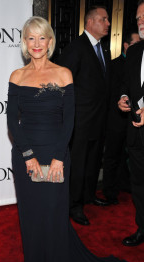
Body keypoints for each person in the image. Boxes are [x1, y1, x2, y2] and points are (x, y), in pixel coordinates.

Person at [7, 16, 129, 262]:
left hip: (56, 152)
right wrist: (28, 156)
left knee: (52, 213)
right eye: (31, 38)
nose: (37, 44)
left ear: (50, 42)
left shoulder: (63, 73)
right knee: (30, 214)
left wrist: (59, 158)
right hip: (26, 153)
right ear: (25, 43)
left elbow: (69, 121)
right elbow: (13, 122)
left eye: (42, 38)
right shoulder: (17, 76)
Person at [58, 6, 112, 226]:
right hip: (80, 121)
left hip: (99, 120)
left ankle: (89, 195)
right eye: (104, 19)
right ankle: (74, 205)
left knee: (92, 162)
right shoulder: (75, 48)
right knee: (78, 164)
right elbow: (61, 83)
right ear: (90, 22)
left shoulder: (103, 49)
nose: (108, 23)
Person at [103, 31, 140, 204]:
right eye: (135, 42)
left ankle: (124, 183)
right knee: (112, 155)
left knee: (130, 155)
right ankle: (109, 191)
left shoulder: (139, 62)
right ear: (126, 45)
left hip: (133, 120)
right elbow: (110, 94)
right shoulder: (114, 65)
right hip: (116, 119)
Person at [118, 0, 144, 246]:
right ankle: (142, 228)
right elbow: (127, 84)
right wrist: (123, 98)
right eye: (137, 18)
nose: (141, 22)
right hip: (136, 132)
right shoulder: (135, 51)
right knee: (138, 183)